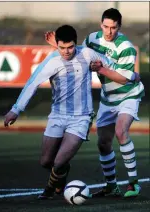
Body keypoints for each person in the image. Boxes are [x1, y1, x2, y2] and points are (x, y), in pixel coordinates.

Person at [4, 24, 125, 200]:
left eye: (70, 47)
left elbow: (112, 66)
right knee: (46, 162)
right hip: (57, 116)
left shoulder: (87, 54)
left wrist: (106, 69)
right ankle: (61, 176)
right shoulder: (52, 61)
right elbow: (32, 84)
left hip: (81, 118)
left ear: (76, 44)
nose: (66, 52)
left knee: (59, 161)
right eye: (62, 48)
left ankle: (49, 189)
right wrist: (16, 110)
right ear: (57, 45)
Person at [44, 8, 145, 198]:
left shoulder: (127, 48)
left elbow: (124, 79)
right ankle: (111, 186)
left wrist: (101, 69)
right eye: (106, 26)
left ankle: (133, 184)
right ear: (101, 25)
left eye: (113, 28)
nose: (109, 31)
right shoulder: (92, 40)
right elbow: (77, 57)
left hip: (128, 95)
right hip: (108, 98)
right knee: (103, 144)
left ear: (119, 27)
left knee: (121, 131)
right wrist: (56, 46)